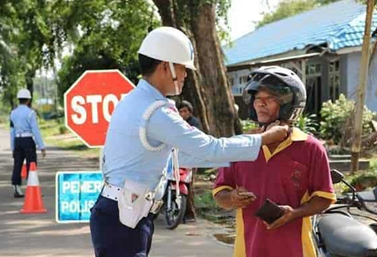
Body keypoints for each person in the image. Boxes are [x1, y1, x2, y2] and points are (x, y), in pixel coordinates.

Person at [89, 26, 289, 257]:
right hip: (124, 219)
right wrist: (263, 139)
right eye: (183, 67)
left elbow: (177, 155)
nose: (185, 75)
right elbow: (209, 148)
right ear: (166, 66)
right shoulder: (156, 112)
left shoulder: (135, 101)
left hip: (123, 214)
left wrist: (241, 155)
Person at [213, 66, 336, 257]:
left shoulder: (311, 148)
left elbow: (324, 198)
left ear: (289, 103)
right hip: (248, 250)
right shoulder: (240, 147)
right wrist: (232, 198)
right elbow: (220, 194)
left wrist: (293, 213)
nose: (260, 104)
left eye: (269, 98)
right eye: (257, 98)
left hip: (297, 251)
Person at [9, 89, 46, 198]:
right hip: (28, 140)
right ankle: (32, 188)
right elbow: (35, 130)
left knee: (17, 164)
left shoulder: (13, 113)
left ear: (18, 99)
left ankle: (16, 187)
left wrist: (12, 147)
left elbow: (12, 131)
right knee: (32, 164)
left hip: (17, 141)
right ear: (29, 100)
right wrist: (41, 146)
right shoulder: (31, 113)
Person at [177, 100, 202, 222]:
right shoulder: (177, 123)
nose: (182, 114)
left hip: (192, 158)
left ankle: (190, 213)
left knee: (188, 185)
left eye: (185, 111)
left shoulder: (194, 123)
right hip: (178, 158)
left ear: (190, 112)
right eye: (180, 111)